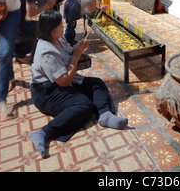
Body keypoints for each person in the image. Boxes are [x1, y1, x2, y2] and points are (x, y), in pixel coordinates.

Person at [30, 10, 128, 158]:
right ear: (50, 30)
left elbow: (69, 53)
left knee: (96, 83)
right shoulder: (46, 52)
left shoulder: (59, 39)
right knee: (83, 105)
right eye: (60, 26)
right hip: (46, 93)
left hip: (61, 82)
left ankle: (105, 115)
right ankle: (44, 132)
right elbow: (64, 81)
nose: (63, 27)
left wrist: (78, 48)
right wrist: (76, 56)